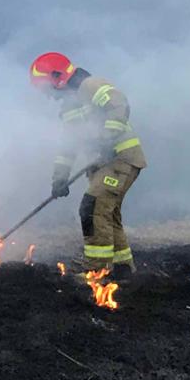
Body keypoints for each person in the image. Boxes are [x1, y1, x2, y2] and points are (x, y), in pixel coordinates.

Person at [29, 52, 147, 279]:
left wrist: (107, 138)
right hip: (103, 165)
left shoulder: (90, 86)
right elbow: (68, 148)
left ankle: (96, 269)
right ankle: (123, 269)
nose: (46, 94)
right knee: (107, 213)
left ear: (57, 77)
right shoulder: (69, 108)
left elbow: (119, 103)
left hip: (120, 158)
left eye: (45, 87)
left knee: (91, 207)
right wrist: (59, 179)